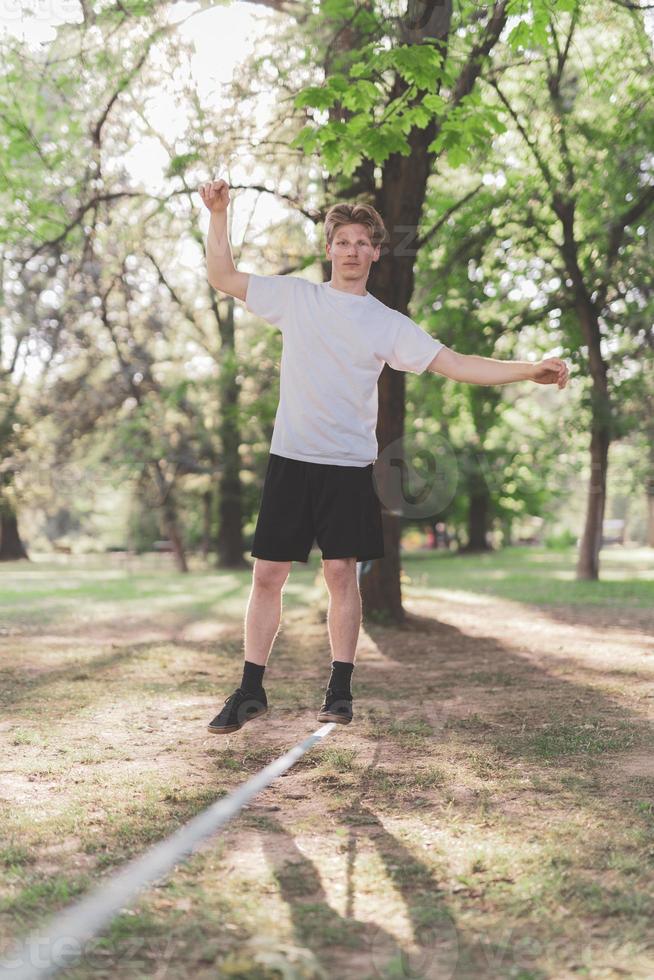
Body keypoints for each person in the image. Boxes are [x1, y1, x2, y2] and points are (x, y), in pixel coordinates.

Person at [197, 178, 569, 734]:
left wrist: (528, 369)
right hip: (291, 459)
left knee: (341, 574)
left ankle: (339, 691)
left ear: (375, 251)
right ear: (329, 250)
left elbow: (457, 363)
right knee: (267, 575)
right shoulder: (297, 299)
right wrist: (220, 213)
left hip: (348, 466)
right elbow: (222, 276)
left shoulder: (387, 323)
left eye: (360, 242)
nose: (351, 250)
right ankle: (250, 690)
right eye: (341, 241)